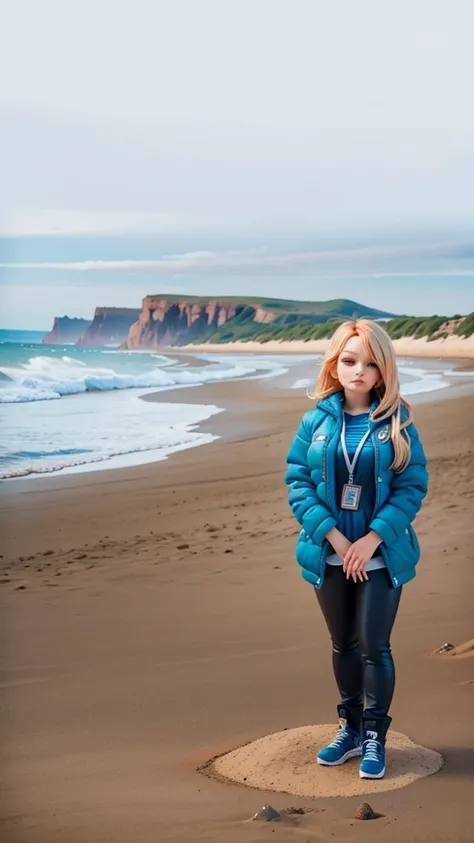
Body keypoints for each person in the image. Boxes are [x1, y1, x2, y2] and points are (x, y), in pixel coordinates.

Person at [285, 319, 428, 780]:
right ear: (335, 364)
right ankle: (348, 728)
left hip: (380, 555)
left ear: (383, 371)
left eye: (370, 363)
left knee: (373, 645)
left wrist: (370, 540)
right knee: (342, 643)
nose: (359, 371)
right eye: (349, 361)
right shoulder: (316, 420)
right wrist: (334, 536)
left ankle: (374, 737)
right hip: (329, 553)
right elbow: (298, 482)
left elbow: (411, 486)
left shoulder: (397, 421)